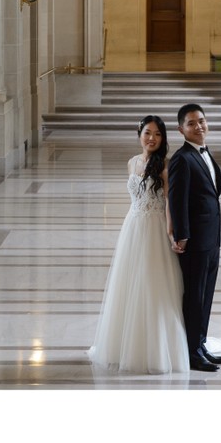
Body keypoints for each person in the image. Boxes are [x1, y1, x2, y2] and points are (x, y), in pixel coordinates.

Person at [88, 115, 189, 374]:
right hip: (132, 226)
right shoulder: (132, 163)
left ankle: (157, 348)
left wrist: (170, 232)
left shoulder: (166, 166)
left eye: (157, 134)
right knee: (129, 283)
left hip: (155, 228)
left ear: (164, 138)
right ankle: (123, 344)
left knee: (153, 284)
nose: (152, 138)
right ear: (139, 134)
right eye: (147, 133)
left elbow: (169, 203)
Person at [168, 103, 221, 372]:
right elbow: (176, 200)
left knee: (206, 295)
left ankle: (201, 344)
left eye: (201, 121)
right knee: (194, 296)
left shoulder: (204, 153)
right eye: (191, 123)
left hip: (211, 238)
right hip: (194, 241)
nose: (199, 126)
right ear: (181, 129)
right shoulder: (182, 158)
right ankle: (192, 353)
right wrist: (182, 235)